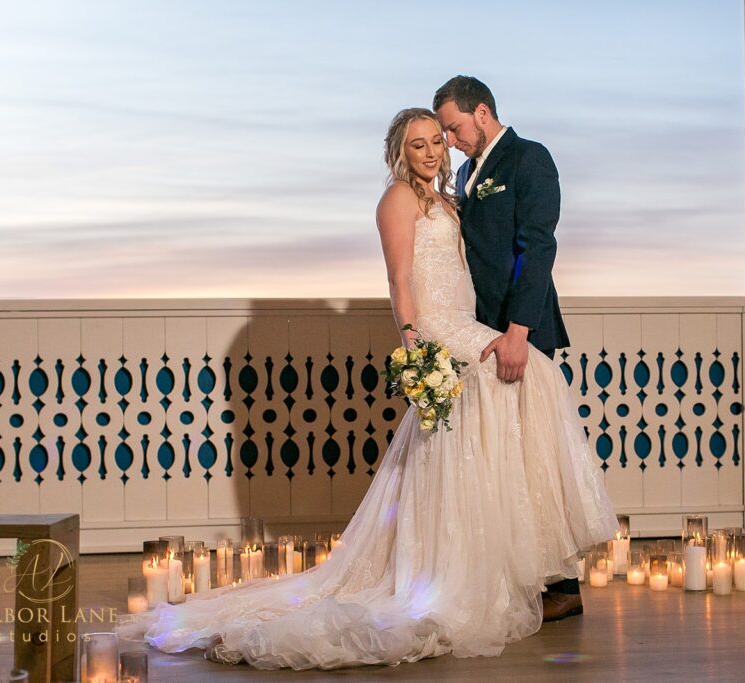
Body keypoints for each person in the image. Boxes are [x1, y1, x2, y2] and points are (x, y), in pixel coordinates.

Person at [116, 107, 615, 671]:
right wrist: (414, 351)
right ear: (399, 153)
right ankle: (463, 575)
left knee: (523, 388)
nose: (432, 151)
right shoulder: (397, 200)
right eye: (419, 144)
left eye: (437, 141)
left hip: (466, 320)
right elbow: (400, 280)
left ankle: (502, 564)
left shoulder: (449, 201)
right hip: (436, 329)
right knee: (509, 381)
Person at [433, 75, 581, 621]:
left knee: (536, 457)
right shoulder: (471, 174)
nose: (449, 141)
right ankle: (518, 574)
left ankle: (564, 586)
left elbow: (537, 247)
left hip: (521, 334)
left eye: (452, 127)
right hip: (482, 335)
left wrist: (519, 330)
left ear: (483, 111)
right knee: (503, 462)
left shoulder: (529, 159)